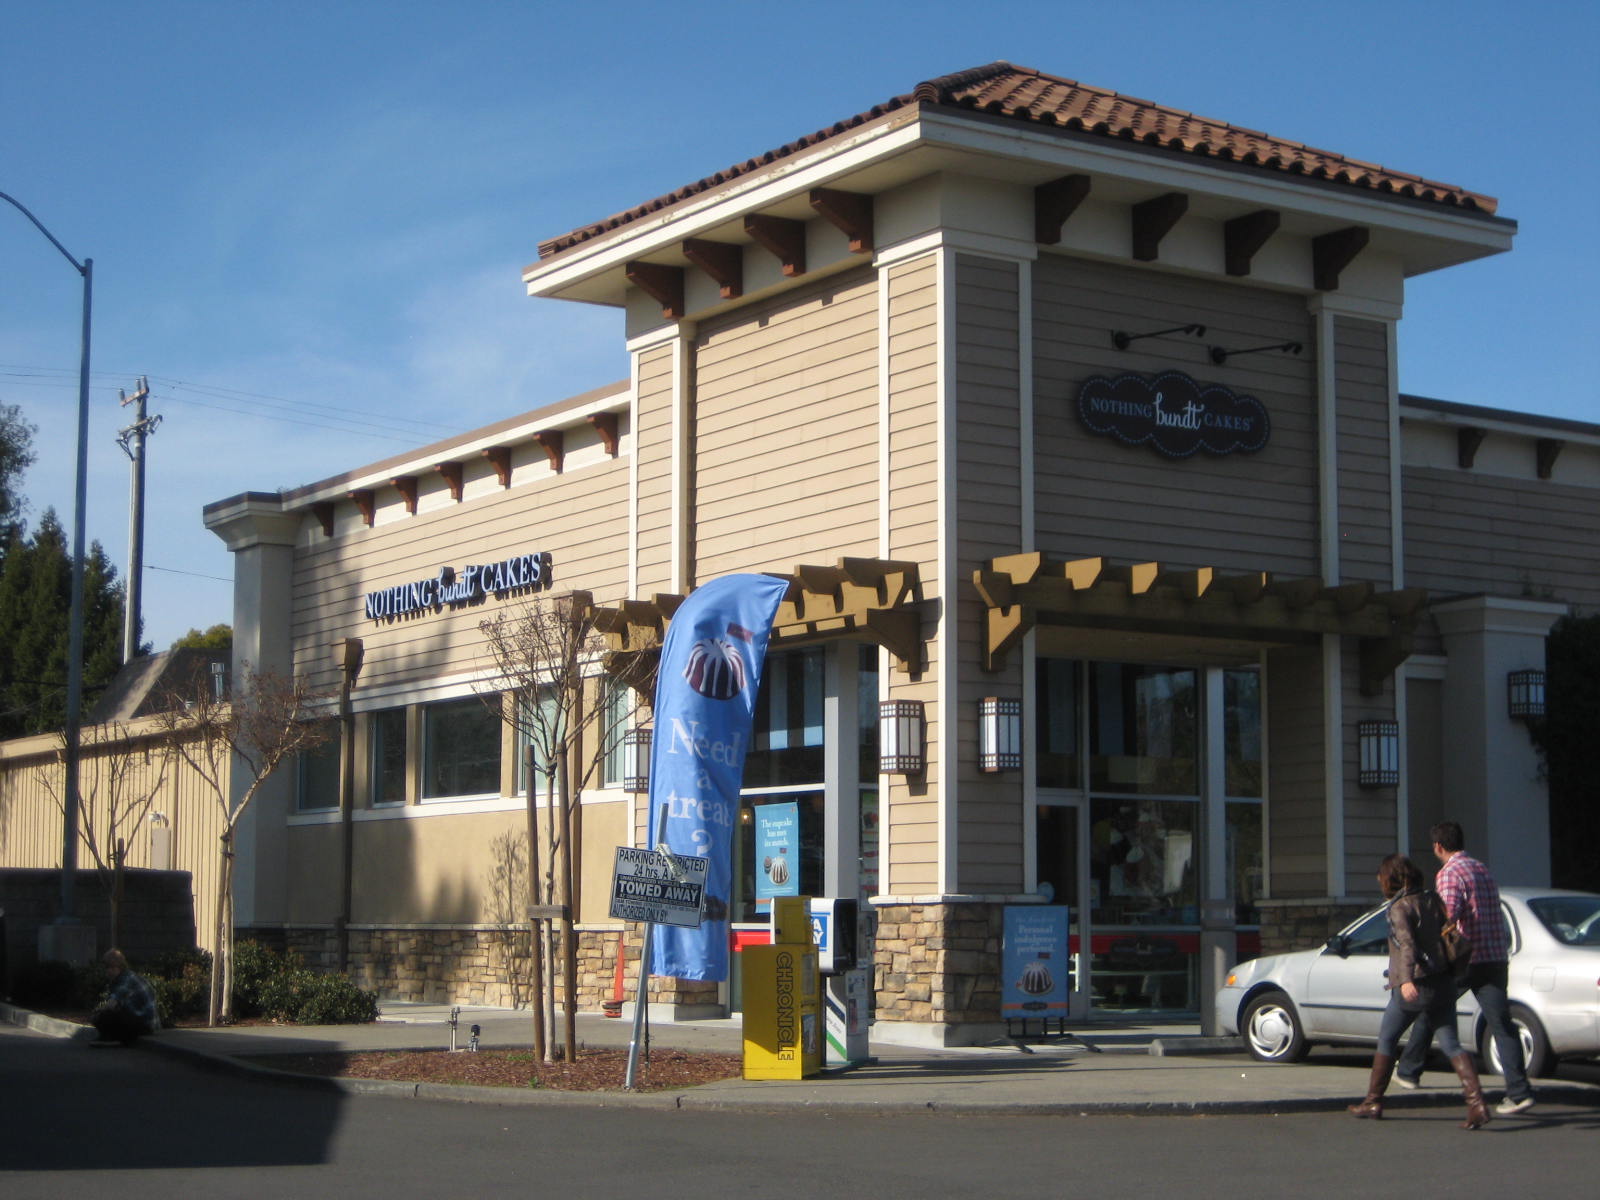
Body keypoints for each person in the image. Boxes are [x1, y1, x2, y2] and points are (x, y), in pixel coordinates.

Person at [1395, 821, 1535, 1114]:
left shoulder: (1450, 873)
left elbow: (1448, 914)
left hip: (1463, 958)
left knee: (1433, 1006)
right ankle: (1519, 1091)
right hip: (1494, 957)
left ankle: (1409, 1070)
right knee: (1502, 1024)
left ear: (1438, 846)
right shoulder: (1482, 869)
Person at [1347, 853, 1490, 1129]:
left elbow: (1407, 944)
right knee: (1451, 1043)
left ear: (1390, 879)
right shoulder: (1432, 899)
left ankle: (1373, 1101)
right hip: (1443, 981)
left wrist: (1406, 980)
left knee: (1387, 1039)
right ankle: (1477, 1104)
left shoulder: (1399, 907)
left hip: (1417, 984)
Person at [89, 949, 161, 1047]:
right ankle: (111, 1036)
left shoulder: (127, 979)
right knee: (106, 1014)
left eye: (109, 967)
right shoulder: (120, 979)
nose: (107, 971)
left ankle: (113, 1037)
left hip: (145, 1024)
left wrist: (97, 1014)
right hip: (139, 1019)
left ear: (117, 967)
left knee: (105, 1016)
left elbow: (112, 1003)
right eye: (106, 967)